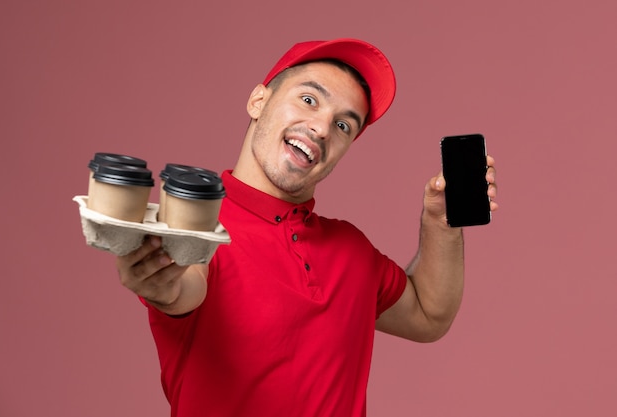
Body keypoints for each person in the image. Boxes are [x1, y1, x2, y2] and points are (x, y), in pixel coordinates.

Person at [116, 38, 498, 417]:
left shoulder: (352, 250)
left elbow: (429, 316)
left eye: (344, 125)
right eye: (309, 99)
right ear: (258, 101)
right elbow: (183, 284)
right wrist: (159, 280)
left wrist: (441, 223)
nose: (320, 128)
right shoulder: (200, 225)